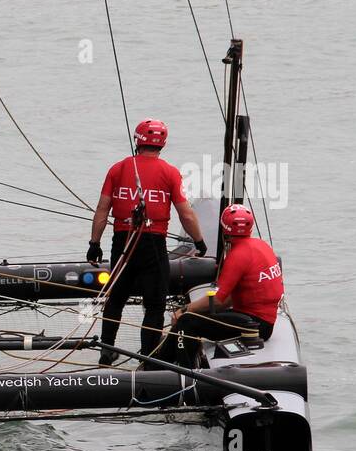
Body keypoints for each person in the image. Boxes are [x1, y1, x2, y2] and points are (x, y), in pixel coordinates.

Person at [86, 118, 209, 366]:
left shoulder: (118, 169)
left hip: (123, 241)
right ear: (162, 144)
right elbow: (186, 213)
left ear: (137, 141)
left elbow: (102, 210)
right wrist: (199, 241)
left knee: (116, 298)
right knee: (154, 304)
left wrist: (94, 244)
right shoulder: (170, 172)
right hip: (153, 243)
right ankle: (148, 358)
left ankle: (107, 350)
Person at [165, 204, 283, 366]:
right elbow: (229, 299)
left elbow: (219, 300)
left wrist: (185, 310)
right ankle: (161, 363)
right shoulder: (262, 245)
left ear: (224, 230)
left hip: (253, 327)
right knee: (194, 318)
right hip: (264, 323)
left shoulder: (237, 255)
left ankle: (178, 372)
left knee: (187, 322)